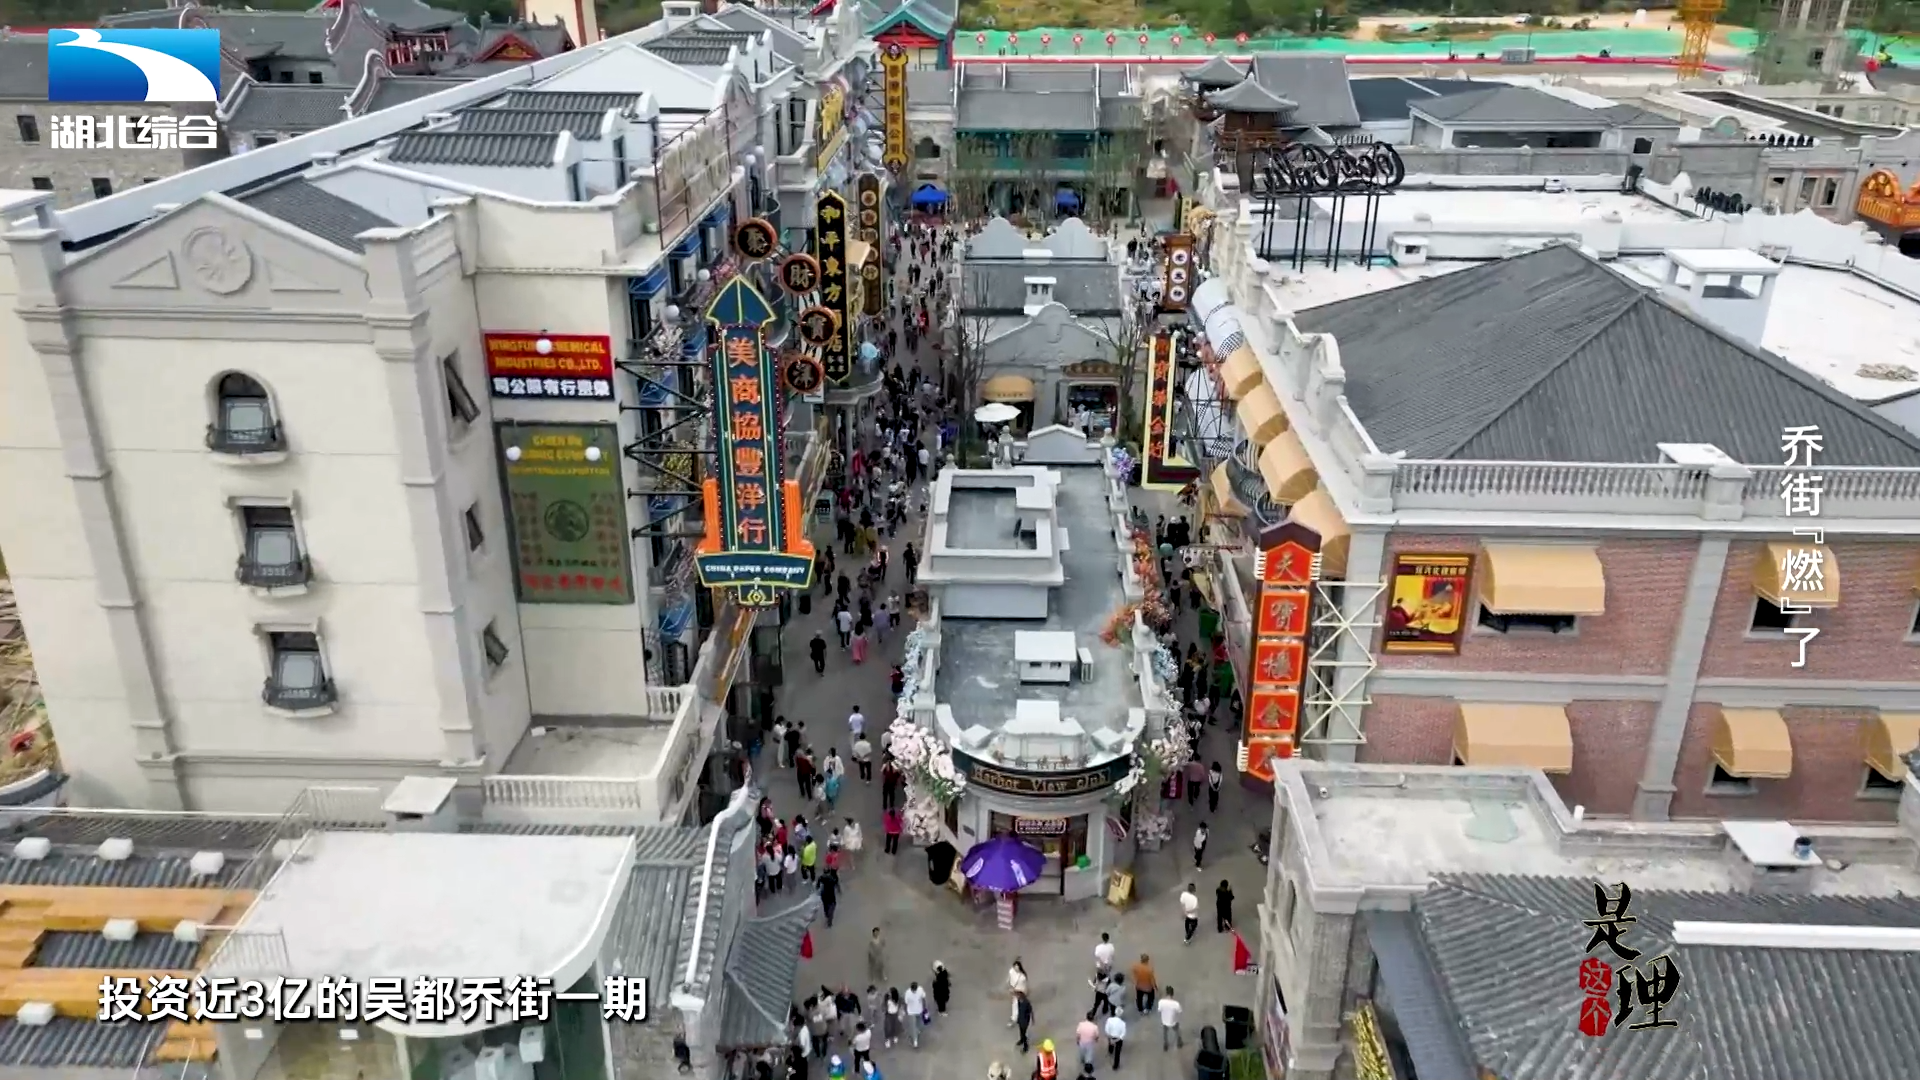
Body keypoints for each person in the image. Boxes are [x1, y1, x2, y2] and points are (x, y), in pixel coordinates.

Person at [904, 981, 927, 1048]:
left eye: (915, 989)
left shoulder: (920, 989)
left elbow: (923, 998)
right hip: (911, 1012)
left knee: (920, 1024)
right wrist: (906, 1011)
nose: (914, 991)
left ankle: (918, 1030)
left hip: (919, 1010)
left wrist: (924, 1007)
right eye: (913, 990)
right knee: (913, 1026)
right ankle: (915, 1040)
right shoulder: (908, 993)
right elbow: (906, 1003)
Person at [1007, 960, 1029, 1026]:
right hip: (1014, 991)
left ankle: (1015, 1018)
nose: (1016, 969)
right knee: (1015, 1004)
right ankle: (1015, 1018)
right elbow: (1009, 979)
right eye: (1015, 967)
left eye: (1017, 967)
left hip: (1019, 992)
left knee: (1016, 1004)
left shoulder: (1022, 977)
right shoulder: (1011, 971)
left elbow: (1024, 986)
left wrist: (1024, 992)